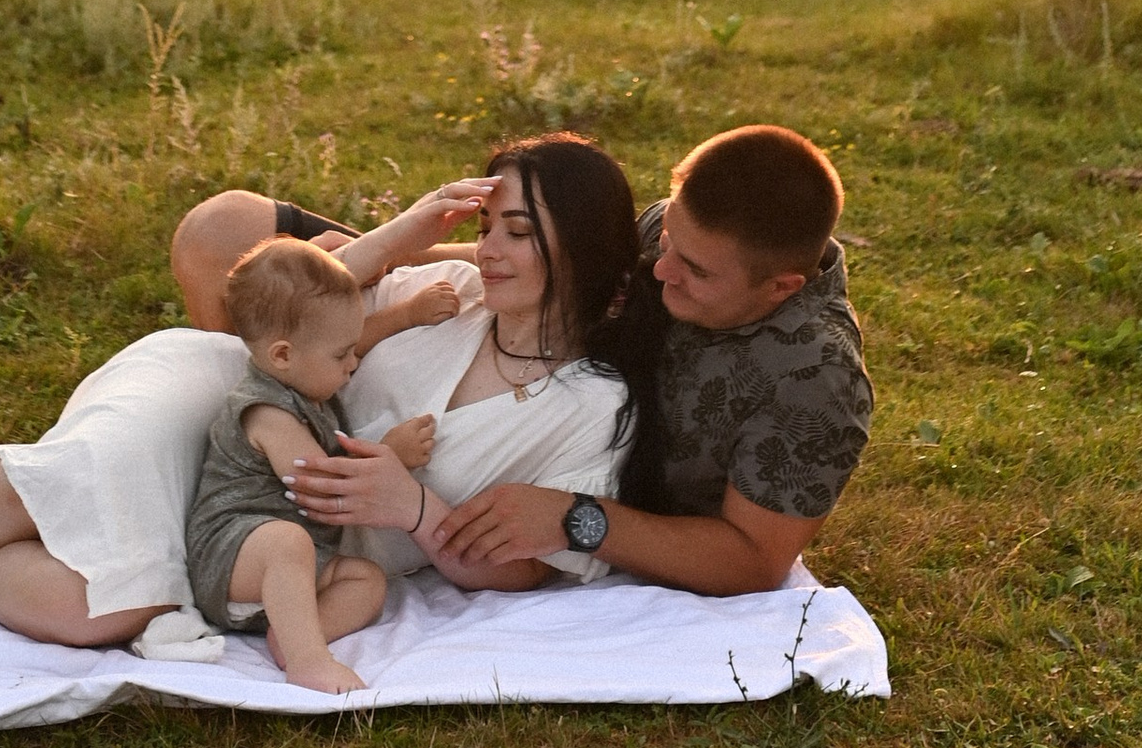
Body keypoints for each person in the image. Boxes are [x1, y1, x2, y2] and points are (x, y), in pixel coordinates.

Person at [0, 146, 641, 643]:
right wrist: (400, 236)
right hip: (232, 401)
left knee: (96, 610)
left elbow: (521, 566)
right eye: (489, 227)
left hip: (283, 529)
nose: (488, 251)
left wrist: (410, 508)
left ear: (583, 250)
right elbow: (288, 303)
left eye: (519, 234)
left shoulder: (591, 406)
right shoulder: (448, 294)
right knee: (94, 481)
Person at [275, 125, 870, 598]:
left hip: (572, 455)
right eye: (666, 244)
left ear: (780, 287)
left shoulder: (816, 379)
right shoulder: (690, 233)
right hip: (517, 326)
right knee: (231, 230)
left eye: (695, 272)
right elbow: (564, 252)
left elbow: (757, 561)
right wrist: (393, 249)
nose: (657, 272)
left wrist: (580, 519)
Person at [180, 238, 435, 695]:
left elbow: (347, 339)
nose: (353, 363)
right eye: (343, 356)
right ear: (282, 355)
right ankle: (308, 661)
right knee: (287, 541)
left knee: (367, 579)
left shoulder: (306, 375)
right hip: (233, 556)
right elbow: (321, 485)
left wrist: (409, 314)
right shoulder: (267, 411)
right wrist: (389, 454)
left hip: (295, 571)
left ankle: (293, 633)